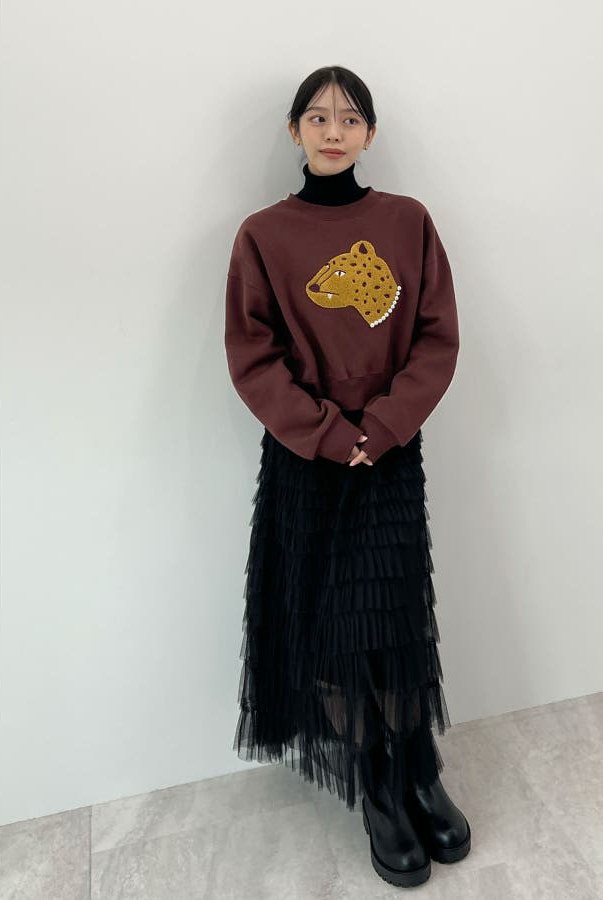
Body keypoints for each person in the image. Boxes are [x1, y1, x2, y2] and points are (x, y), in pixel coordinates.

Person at [224, 65, 471, 888]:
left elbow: (436, 336)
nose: (334, 131)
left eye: (350, 117)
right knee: (332, 623)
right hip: (307, 459)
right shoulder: (263, 235)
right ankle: (375, 784)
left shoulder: (407, 222)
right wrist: (330, 435)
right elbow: (253, 356)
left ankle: (416, 766)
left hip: (390, 453)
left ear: (370, 133)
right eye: (318, 117)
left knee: (395, 618)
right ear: (294, 130)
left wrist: (385, 427)